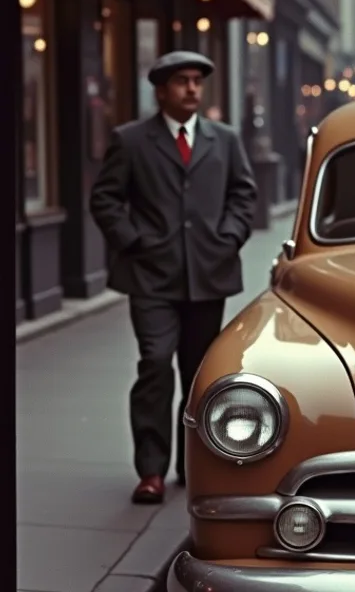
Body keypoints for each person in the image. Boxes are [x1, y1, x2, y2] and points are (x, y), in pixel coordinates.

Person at [89, 51, 257, 504]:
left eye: (197, 81)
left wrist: (228, 237)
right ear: (161, 90)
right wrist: (134, 241)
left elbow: (244, 194)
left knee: (200, 374)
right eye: (182, 81)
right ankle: (151, 470)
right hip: (150, 277)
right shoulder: (131, 140)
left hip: (209, 273)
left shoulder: (224, 139)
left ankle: (194, 466)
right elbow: (105, 199)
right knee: (156, 364)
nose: (192, 89)